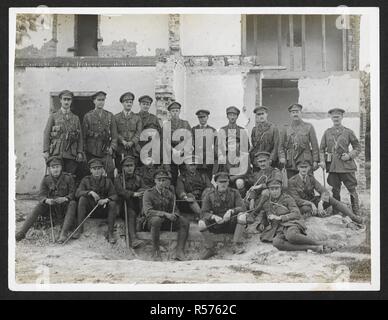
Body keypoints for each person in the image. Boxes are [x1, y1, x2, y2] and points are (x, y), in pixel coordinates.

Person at [260, 177, 335, 253]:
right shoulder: (267, 202)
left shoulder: (287, 199)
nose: (274, 191)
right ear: (269, 190)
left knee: (291, 236)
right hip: (279, 228)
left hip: (292, 223)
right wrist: (262, 223)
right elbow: (265, 214)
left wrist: (280, 217)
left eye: (277, 189)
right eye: (272, 189)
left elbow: (296, 213)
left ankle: (320, 243)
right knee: (277, 242)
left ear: (281, 189)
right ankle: (313, 248)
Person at [16, 156, 77, 243]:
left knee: (73, 203)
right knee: (40, 205)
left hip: (64, 207)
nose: (55, 170)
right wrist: (46, 200)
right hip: (51, 208)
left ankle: (63, 234)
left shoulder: (68, 178)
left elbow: (73, 193)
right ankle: (22, 233)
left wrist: (65, 198)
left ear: (61, 167)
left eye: (57, 167)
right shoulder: (46, 179)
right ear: (49, 169)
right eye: (53, 167)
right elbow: (41, 195)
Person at [287, 159, 364, 224]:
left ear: (309, 168)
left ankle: (354, 218)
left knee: (331, 199)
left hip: (313, 202)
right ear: (298, 168)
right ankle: (315, 217)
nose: (303, 169)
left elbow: (324, 191)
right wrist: (311, 204)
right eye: (301, 167)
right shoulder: (292, 181)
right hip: (302, 205)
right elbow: (297, 200)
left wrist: (321, 203)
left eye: (305, 167)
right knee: (307, 209)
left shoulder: (311, 178)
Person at [319, 108, 362, 216]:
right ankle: (336, 212)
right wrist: (323, 161)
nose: (336, 119)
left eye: (338, 116)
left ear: (342, 117)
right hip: (333, 166)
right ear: (331, 118)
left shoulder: (348, 132)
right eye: (334, 117)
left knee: (351, 189)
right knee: (335, 190)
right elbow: (321, 149)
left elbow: (357, 147)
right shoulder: (327, 132)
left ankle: (356, 212)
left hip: (346, 165)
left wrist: (349, 155)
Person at [142, 169, 190, 261]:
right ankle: (156, 252)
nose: (161, 183)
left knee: (184, 221)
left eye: (163, 180)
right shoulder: (148, 193)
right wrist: (165, 214)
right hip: (151, 223)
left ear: (166, 181)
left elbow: (175, 209)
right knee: (156, 220)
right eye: (159, 180)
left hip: (166, 222)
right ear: (155, 181)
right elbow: (148, 212)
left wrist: (174, 215)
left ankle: (179, 252)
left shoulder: (169, 194)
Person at [198, 172, 248, 259]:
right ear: (216, 182)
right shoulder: (209, 195)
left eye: (225, 182)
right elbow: (203, 213)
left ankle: (235, 245)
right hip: (216, 224)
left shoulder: (234, 193)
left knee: (242, 216)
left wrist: (231, 211)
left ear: (228, 182)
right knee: (201, 223)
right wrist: (213, 217)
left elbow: (243, 208)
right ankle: (210, 248)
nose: (223, 184)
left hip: (231, 223)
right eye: (221, 182)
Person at [74, 158, 118, 243]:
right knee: (82, 199)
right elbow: (77, 193)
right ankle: (79, 230)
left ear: (102, 169)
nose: (97, 171)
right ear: (91, 170)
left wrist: (106, 200)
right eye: (94, 169)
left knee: (112, 204)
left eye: (99, 169)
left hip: (103, 210)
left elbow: (115, 195)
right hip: (90, 210)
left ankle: (110, 233)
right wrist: (89, 192)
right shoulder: (85, 180)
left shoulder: (107, 181)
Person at [43, 90, 83, 177]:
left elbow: (80, 137)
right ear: (60, 100)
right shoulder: (54, 116)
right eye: (64, 99)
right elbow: (46, 133)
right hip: (57, 152)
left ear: (71, 101)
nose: (66, 102)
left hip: (71, 153)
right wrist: (46, 150)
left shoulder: (75, 118)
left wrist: (79, 152)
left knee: (70, 176)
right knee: (56, 176)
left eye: (69, 99)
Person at [245, 151, 284, 231]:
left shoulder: (275, 171)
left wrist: (261, 186)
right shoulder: (258, 173)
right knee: (246, 198)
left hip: (274, 199)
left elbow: (276, 183)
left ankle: (255, 214)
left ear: (269, 161)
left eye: (264, 161)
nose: (262, 164)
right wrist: (252, 199)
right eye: (260, 162)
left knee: (265, 192)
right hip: (260, 200)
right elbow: (254, 188)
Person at [278, 103, 319, 179]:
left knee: (308, 184)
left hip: (305, 160)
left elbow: (315, 146)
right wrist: (282, 157)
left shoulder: (308, 127)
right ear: (290, 114)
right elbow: (281, 146)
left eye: (297, 112)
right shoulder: (285, 129)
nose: (295, 114)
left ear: (301, 113)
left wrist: (315, 160)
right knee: (291, 185)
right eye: (293, 112)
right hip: (290, 161)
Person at [82, 91, 117, 178]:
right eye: (99, 100)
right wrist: (84, 151)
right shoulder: (88, 116)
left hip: (106, 151)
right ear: (94, 101)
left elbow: (114, 135)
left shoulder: (110, 116)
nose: (101, 102)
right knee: (91, 173)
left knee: (110, 170)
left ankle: (109, 190)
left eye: (103, 100)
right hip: (92, 151)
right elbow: (83, 136)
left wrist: (112, 148)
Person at [114, 156, 145, 249]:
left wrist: (141, 190)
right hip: (122, 206)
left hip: (136, 205)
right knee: (131, 213)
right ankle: (134, 240)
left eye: (131, 165)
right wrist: (133, 194)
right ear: (123, 167)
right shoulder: (119, 178)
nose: (129, 168)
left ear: (134, 166)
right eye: (127, 166)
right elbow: (120, 191)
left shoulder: (138, 178)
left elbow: (145, 187)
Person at [176, 155, 213, 221]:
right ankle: (203, 215)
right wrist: (185, 197)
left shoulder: (203, 175)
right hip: (188, 203)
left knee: (208, 190)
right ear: (186, 165)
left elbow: (210, 186)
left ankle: (201, 215)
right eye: (190, 165)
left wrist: (208, 193)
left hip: (202, 200)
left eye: (194, 165)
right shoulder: (182, 177)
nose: (192, 167)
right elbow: (180, 190)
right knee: (190, 196)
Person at [165, 101, 192, 184]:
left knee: (185, 174)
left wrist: (183, 150)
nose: (175, 113)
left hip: (183, 153)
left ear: (179, 111)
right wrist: (173, 150)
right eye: (173, 111)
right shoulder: (166, 125)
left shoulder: (185, 123)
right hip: (171, 153)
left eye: (176, 111)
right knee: (173, 175)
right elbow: (164, 140)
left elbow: (190, 138)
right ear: (170, 112)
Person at [114, 92, 142, 169]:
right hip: (120, 149)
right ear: (122, 103)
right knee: (120, 170)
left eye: (130, 102)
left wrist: (132, 142)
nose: (129, 104)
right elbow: (115, 132)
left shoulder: (137, 118)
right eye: (126, 102)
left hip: (133, 150)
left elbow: (138, 133)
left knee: (134, 170)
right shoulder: (116, 117)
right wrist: (122, 141)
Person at [191, 109, 217, 180]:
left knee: (208, 180)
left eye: (204, 117)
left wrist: (214, 158)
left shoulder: (212, 130)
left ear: (207, 117)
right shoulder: (193, 130)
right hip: (197, 160)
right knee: (197, 180)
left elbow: (216, 145)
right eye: (200, 117)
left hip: (208, 160)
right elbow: (191, 144)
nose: (202, 119)